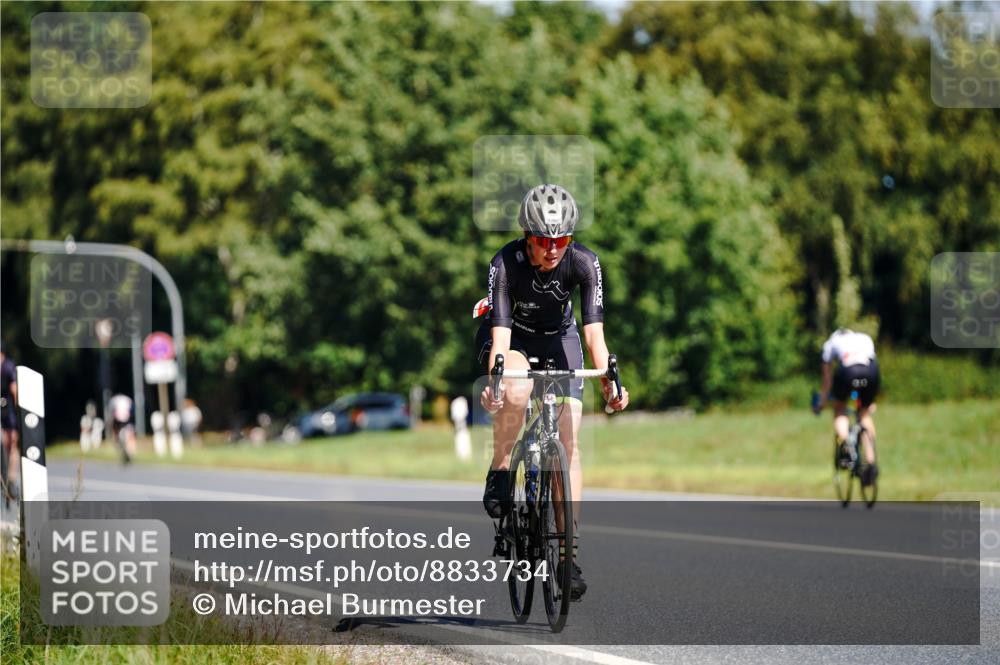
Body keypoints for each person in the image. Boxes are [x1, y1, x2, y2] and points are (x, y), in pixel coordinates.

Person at [475, 184, 629, 601]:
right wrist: (497, 384)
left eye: (562, 239)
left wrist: (611, 381)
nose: (554, 248)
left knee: (569, 438)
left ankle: (567, 554)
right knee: (517, 388)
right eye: (545, 240)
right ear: (528, 236)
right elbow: (501, 342)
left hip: (559, 338)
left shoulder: (584, 263)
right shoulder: (506, 263)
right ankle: (502, 467)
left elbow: (594, 335)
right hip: (514, 340)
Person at [814, 328, 880, 485]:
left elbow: (827, 381)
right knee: (864, 413)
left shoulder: (830, 343)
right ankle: (871, 462)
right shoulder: (865, 337)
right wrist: (871, 401)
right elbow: (874, 366)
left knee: (840, 408)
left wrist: (822, 402)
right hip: (870, 371)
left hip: (848, 371)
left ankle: (845, 444)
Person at [1, 343, 19, 503]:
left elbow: (14, 390)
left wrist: (19, 413)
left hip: (9, 412)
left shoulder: (7, 367)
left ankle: (11, 478)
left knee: (11, 443)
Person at [108, 393, 136, 464]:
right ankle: (129, 451)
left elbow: (111, 412)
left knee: (116, 434)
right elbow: (132, 410)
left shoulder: (113, 400)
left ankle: (118, 444)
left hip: (119, 421)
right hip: (126, 420)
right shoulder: (128, 399)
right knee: (130, 435)